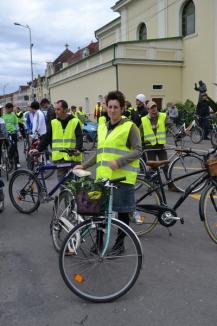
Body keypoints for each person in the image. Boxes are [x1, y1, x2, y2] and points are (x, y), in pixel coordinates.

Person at [74, 90, 142, 255]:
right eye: (110, 106)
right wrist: (84, 165)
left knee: (122, 213)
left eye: (116, 107)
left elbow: (138, 150)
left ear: (122, 108)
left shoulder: (129, 127)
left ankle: (120, 245)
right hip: (103, 178)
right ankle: (98, 243)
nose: (112, 110)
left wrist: (119, 162)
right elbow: (100, 153)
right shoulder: (103, 127)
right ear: (106, 107)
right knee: (99, 214)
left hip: (122, 178)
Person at [33, 99, 83, 181]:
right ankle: (63, 194)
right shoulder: (54, 122)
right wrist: (38, 149)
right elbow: (47, 138)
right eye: (55, 109)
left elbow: (79, 137)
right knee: (62, 184)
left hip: (73, 157)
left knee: (76, 185)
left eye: (58, 109)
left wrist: (78, 149)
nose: (56, 111)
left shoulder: (75, 121)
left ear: (66, 110)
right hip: (60, 159)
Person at [140, 100, 178, 191]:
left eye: (155, 107)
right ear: (148, 110)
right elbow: (138, 133)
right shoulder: (144, 120)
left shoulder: (163, 116)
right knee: (153, 167)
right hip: (149, 147)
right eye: (151, 108)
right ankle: (153, 185)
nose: (153, 110)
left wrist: (176, 133)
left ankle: (170, 185)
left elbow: (171, 125)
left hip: (160, 146)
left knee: (165, 165)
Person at [3, 103, 21, 168]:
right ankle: (8, 161)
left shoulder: (13, 115)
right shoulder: (3, 116)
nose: (12, 109)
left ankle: (17, 161)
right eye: (11, 108)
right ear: (8, 108)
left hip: (13, 133)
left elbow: (16, 124)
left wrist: (19, 133)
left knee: (15, 147)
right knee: (7, 148)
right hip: (6, 134)